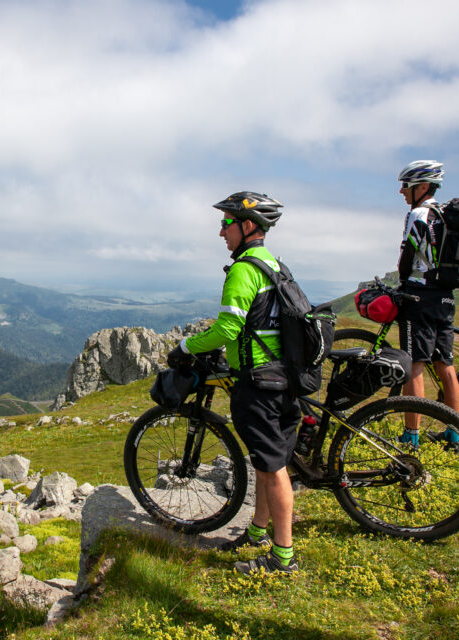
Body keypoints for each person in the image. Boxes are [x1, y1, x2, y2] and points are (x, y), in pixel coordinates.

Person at [168, 191, 300, 575]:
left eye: (226, 223)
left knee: (274, 469)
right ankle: (258, 531)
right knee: (266, 460)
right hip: (282, 376)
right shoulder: (272, 263)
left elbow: (228, 328)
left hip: (260, 382)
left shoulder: (244, 268)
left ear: (247, 226)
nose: (221, 231)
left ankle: (282, 559)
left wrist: (184, 346)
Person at [395, 160, 459, 448]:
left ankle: (412, 435)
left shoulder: (420, 213)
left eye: (406, 185)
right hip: (445, 295)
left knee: (415, 365)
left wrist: (402, 281)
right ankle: (455, 432)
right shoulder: (446, 213)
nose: (401, 191)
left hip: (419, 295)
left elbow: (409, 254)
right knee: (445, 365)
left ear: (423, 186)